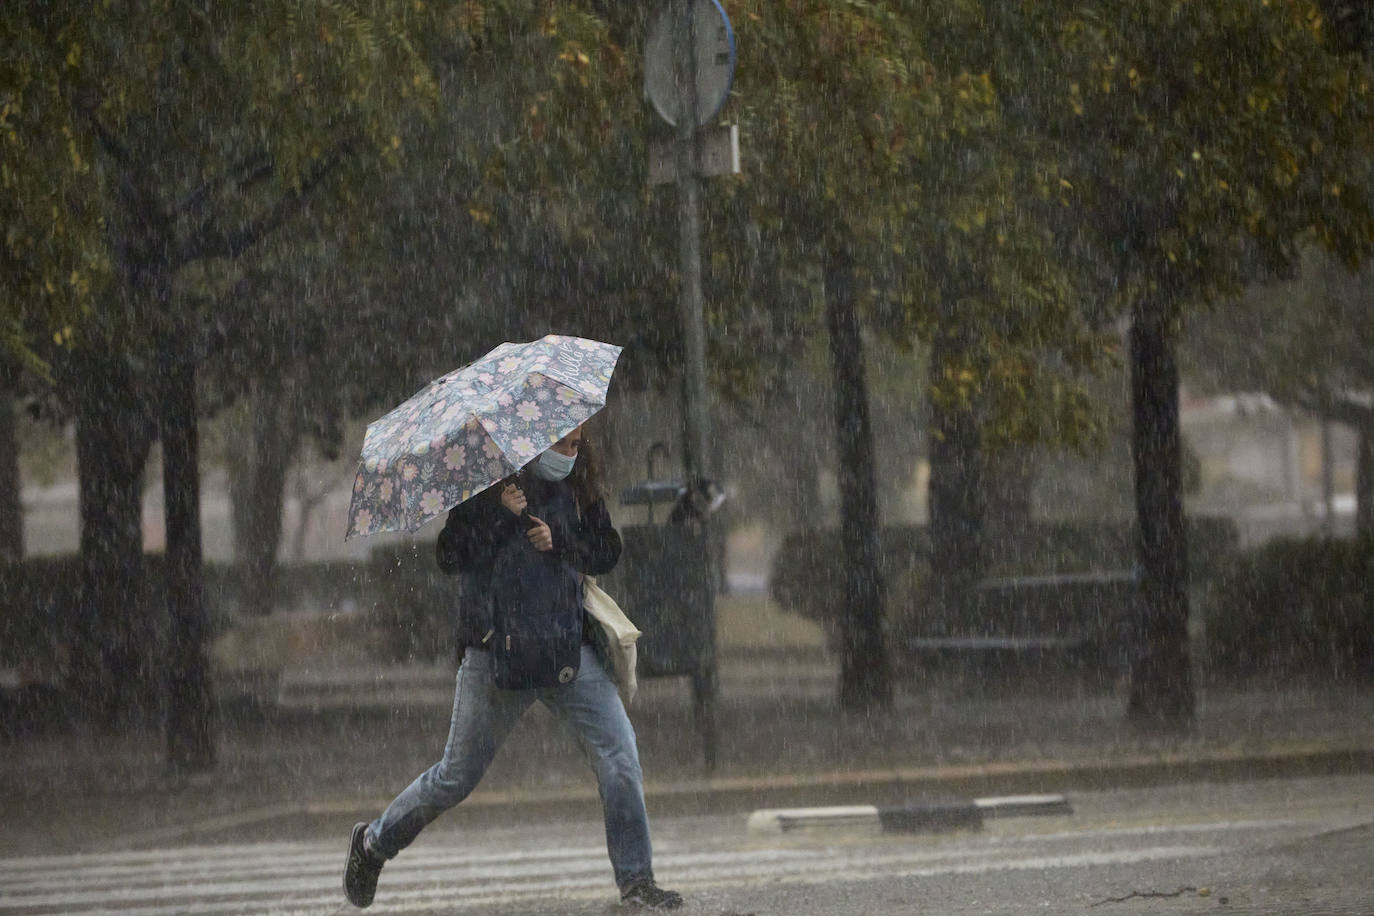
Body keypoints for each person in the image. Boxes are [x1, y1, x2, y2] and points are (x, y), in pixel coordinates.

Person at [343, 424, 683, 911]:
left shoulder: (579, 482)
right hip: (496, 654)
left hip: (567, 649)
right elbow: (451, 555)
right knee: (455, 776)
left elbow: (607, 549)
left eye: (579, 443)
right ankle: (373, 844)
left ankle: (637, 882)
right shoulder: (485, 483)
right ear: (535, 439)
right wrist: (501, 516)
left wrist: (559, 540)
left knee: (620, 756)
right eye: (565, 443)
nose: (574, 451)